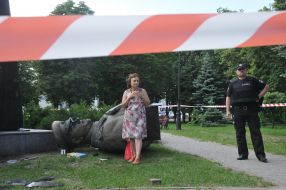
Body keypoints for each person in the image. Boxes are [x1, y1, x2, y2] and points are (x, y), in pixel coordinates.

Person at [226, 63, 269, 163]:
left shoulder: (252, 80)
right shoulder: (232, 83)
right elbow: (228, 97)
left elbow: (266, 86)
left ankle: (261, 155)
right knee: (239, 133)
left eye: (243, 69)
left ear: (246, 70)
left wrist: (258, 96)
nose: (241, 70)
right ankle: (243, 154)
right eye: (239, 69)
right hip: (237, 111)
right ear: (236, 71)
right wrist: (228, 111)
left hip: (252, 110)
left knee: (256, 133)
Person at [121, 73, 150, 164]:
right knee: (132, 137)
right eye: (134, 81)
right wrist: (130, 97)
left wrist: (141, 96)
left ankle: (137, 157)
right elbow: (123, 105)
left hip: (140, 116)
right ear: (130, 82)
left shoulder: (143, 91)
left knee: (138, 136)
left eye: (137, 81)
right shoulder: (126, 92)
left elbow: (147, 103)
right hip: (129, 117)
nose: (136, 82)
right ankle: (133, 156)